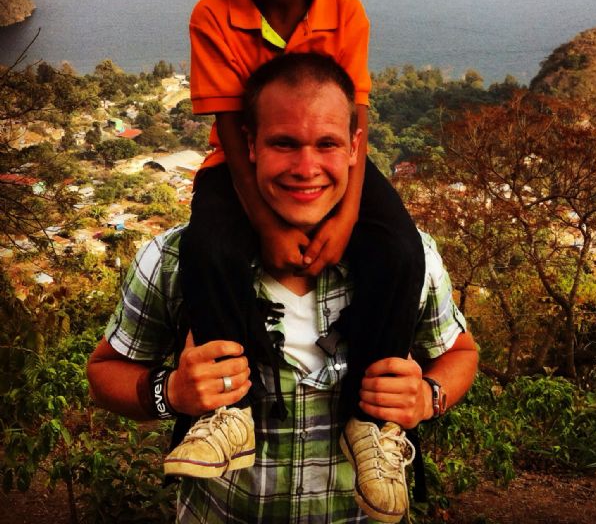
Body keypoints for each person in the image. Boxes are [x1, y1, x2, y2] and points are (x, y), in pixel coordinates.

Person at [87, 53, 478, 523]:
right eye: (284, 143)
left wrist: (428, 397)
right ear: (249, 145)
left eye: (327, 144)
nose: (306, 167)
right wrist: (170, 392)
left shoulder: (406, 259)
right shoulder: (176, 258)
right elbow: (104, 372)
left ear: (355, 147)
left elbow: (459, 352)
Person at [174, 0, 428, 519]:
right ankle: (229, 412)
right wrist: (266, 224)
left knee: (400, 251)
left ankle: (373, 419)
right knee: (208, 250)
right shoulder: (213, 14)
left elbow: (355, 120)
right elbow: (232, 131)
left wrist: (343, 220)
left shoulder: (345, 11)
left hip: (334, 161)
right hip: (243, 162)